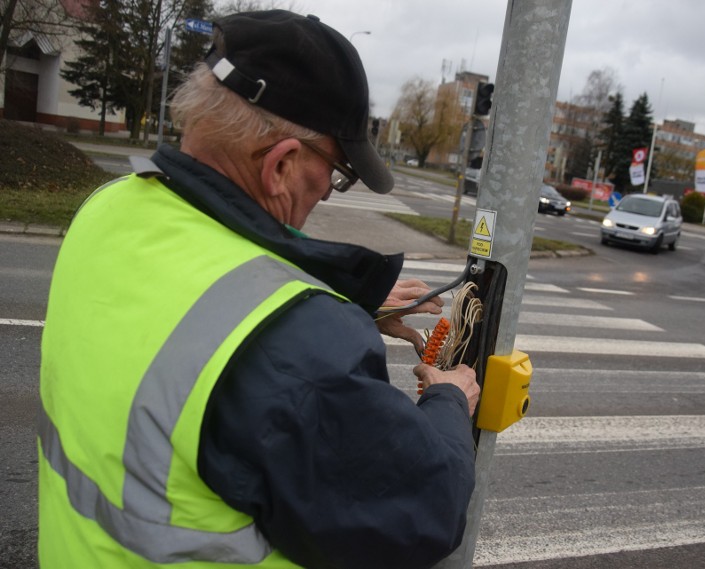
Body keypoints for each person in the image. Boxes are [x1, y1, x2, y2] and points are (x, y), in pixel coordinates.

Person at [38, 10, 480, 569]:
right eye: (338, 174)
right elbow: (423, 511)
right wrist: (447, 403)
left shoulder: (111, 207)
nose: (328, 194)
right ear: (282, 166)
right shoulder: (294, 346)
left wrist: (331, 305)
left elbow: (180, 317)